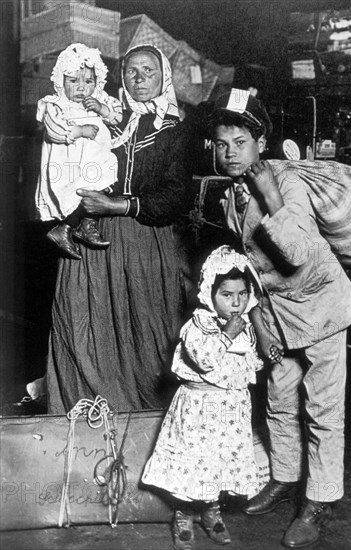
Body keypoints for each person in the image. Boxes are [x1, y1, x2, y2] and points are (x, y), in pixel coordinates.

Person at [208, 89, 351, 548]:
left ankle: (318, 501)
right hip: (277, 314)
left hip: (320, 308)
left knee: (322, 410)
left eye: (240, 141)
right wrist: (258, 323)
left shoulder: (287, 181)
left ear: (261, 142)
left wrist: (271, 193)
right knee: (278, 399)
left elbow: (295, 251)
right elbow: (251, 270)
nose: (230, 152)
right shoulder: (229, 195)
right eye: (221, 144)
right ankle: (283, 478)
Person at [46, 43, 191, 414]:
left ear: (164, 77)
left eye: (149, 71)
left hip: (144, 239)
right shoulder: (103, 115)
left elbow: (176, 197)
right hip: (89, 239)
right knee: (84, 326)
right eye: (131, 71)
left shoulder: (175, 129)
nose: (139, 79)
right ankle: (84, 421)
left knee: (147, 336)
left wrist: (118, 204)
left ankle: (146, 425)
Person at [142, 245, 264, 550]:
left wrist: (261, 352)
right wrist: (227, 336)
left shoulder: (247, 325)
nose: (235, 303)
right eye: (227, 295)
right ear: (210, 293)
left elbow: (249, 365)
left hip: (230, 412)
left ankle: (211, 512)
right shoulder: (198, 326)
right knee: (195, 466)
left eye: (242, 294)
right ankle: (183, 515)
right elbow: (204, 359)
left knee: (220, 464)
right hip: (200, 409)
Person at [35, 43, 123, 260]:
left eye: (88, 81)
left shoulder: (99, 100)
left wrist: (102, 109)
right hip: (70, 163)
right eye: (73, 81)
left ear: (98, 82)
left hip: (97, 159)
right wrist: (79, 130)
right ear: (61, 82)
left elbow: (119, 118)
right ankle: (67, 226)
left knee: (103, 187)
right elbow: (53, 131)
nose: (81, 87)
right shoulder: (56, 105)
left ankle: (83, 224)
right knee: (78, 194)